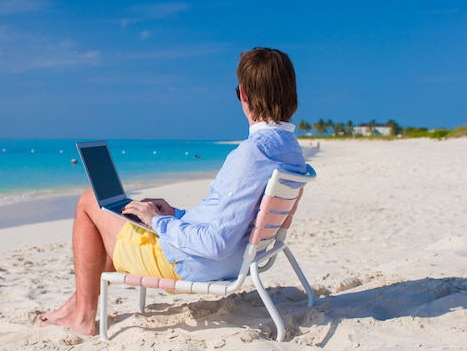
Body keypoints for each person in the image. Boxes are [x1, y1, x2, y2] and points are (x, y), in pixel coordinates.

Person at [38, 47, 307, 335]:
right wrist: (175, 213)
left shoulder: (250, 155)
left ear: (243, 94)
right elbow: (230, 219)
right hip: (240, 255)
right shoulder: (289, 150)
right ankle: (76, 304)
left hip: (195, 263)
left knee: (90, 202)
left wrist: (158, 222)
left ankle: (82, 315)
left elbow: (217, 244)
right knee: (121, 213)